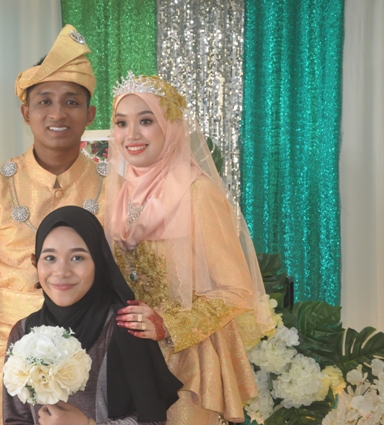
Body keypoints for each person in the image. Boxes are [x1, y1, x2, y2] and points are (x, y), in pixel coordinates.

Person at [0, 25, 108, 425]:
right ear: (26, 113)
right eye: (44, 102)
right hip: (6, 359)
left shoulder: (115, 187)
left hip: (94, 355)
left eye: (71, 102)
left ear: (89, 114)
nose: (57, 114)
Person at [104, 73, 275, 424]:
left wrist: (168, 324)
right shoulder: (118, 197)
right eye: (121, 123)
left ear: (171, 126)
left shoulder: (198, 193)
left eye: (146, 121)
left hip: (188, 363)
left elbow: (236, 291)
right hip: (130, 361)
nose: (131, 135)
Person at [3, 206, 182, 425]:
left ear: (99, 262)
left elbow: (152, 421)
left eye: (77, 257)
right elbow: (16, 419)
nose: (62, 271)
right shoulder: (23, 333)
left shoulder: (123, 324)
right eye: (50, 257)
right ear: (35, 262)